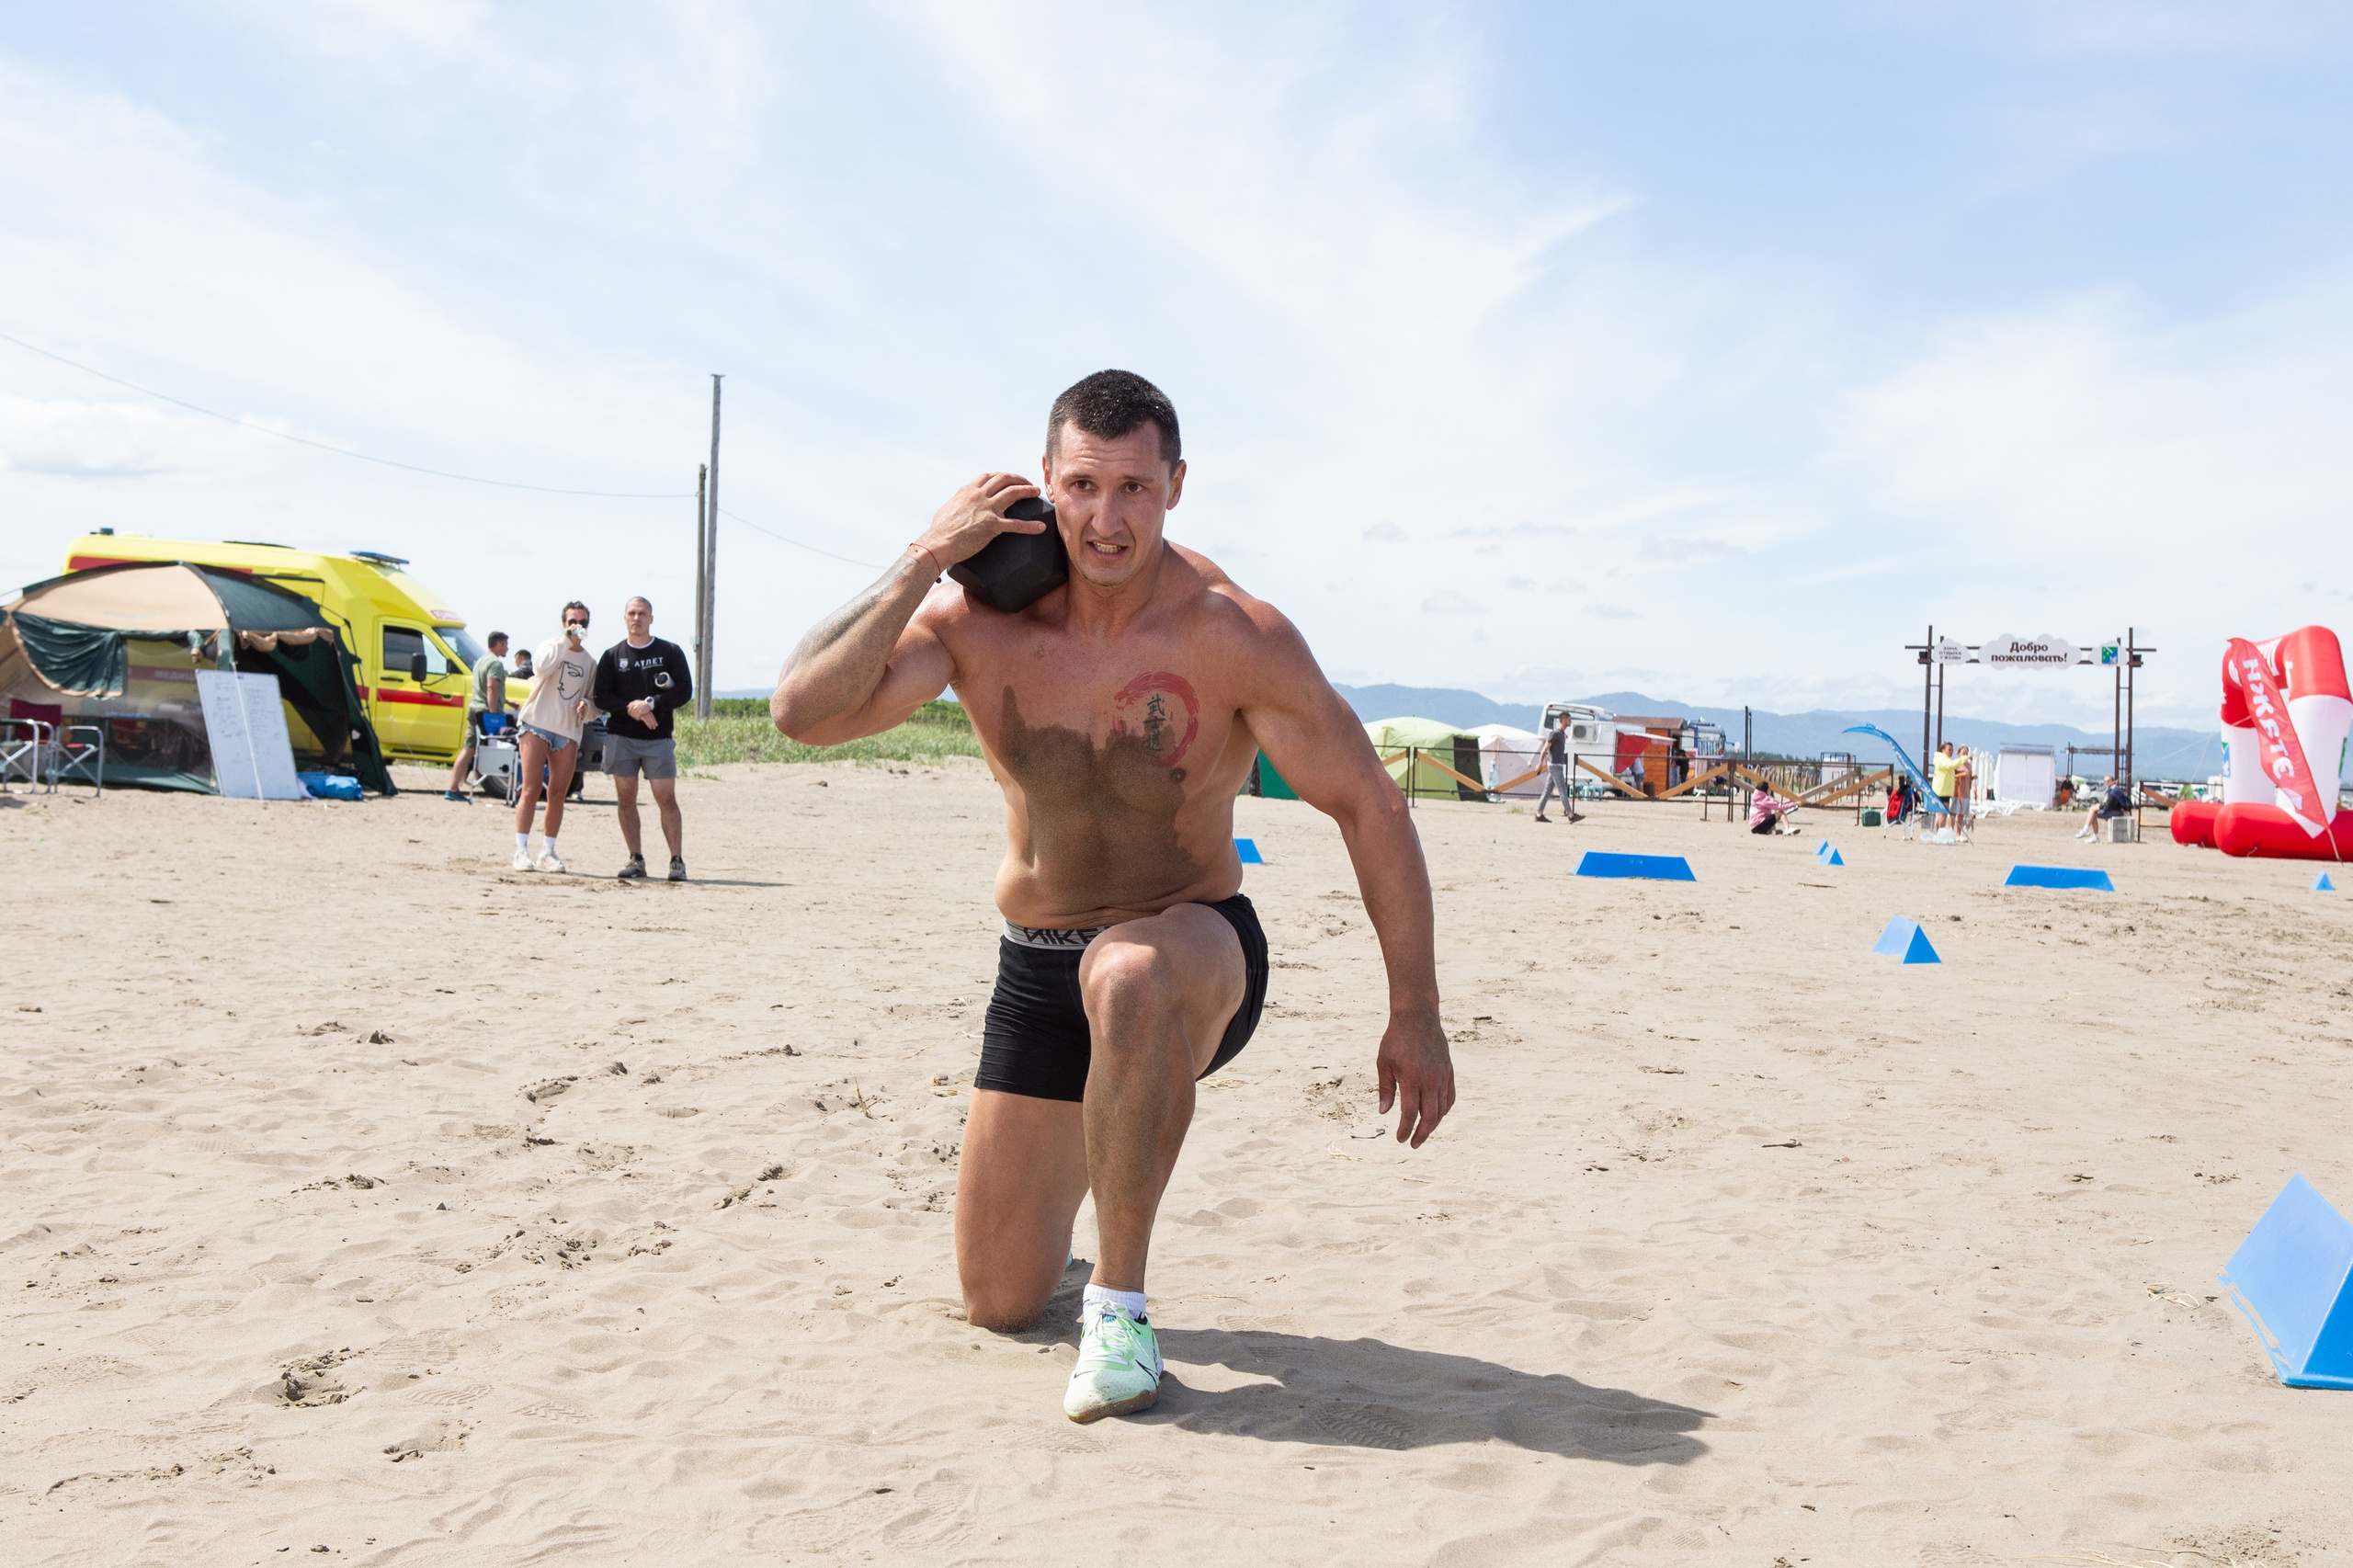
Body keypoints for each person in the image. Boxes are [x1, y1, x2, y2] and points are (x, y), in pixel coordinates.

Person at [770, 369, 1455, 1425]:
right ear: (1045, 480)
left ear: (1174, 485)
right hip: (1039, 962)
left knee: (1125, 972)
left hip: (1188, 944)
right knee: (1000, 1300)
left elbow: (1370, 804)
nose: (1106, 518)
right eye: (1084, 485)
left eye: (1134, 487)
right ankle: (1092, 1183)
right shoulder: (977, 619)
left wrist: (1415, 1009)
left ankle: (1120, 1311)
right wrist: (923, 556)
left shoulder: (1231, 632)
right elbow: (801, 714)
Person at [594, 596, 694, 881]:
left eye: (642, 614)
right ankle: (636, 859)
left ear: (651, 618)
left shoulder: (670, 651)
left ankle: (676, 862)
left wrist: (651, 703)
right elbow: (602, 697)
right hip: (621, 737)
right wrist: (633, 709)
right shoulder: (612, 656)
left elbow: (684, 692)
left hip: (658, 738)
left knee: (666, 798)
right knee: (626, 798)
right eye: (632, 613)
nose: (636, 618)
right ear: (624, 618)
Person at [511, 601, 599, 873]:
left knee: (558, 793)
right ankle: (521, 850)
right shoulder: (550, 646)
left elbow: (594, 702)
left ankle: (547, 851)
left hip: (568, 730)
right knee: (530, 788)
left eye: (582, 623)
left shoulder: (590, 662)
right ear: (564, 623)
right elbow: (541, 668)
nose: (577, 627)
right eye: (573, 621)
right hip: (537, 723)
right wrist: (565, 641)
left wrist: (587, 706)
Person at [443, 631, 511, 802]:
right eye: (505, 645)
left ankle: (455, 786)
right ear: (498, 645)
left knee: (469, 749)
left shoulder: (480, 660)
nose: (507, 649)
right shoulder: (495, 663)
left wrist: (507, 701)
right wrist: (494, 713)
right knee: (498, 749)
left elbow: (485, 688)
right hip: (485, 712)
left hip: (475, 707)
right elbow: (491, 687)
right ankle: (511, 790)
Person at [1532, 713, 1581, 824]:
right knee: (1562, 790)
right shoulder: (1555, 733)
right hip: (1555, 766)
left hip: (1556, 766)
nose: (1570, 721)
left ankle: (1539, 814)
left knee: (1547, 791)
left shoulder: (1562, 734)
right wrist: (1540, 763)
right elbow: (1545, 749)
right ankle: (1571, 815)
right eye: (1569, 719)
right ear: (1563, 720)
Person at [2076, 774, 2132, 840]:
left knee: (2093, 811)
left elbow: (2108, 806)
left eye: (2108, 781)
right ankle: (2091, 833)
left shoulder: (2115, 791)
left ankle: (2088, 831)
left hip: (2120, 812)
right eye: (2105, 781)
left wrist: (2100, 806)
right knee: (2093, 810)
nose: (2107, 783)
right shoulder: (2113, 790)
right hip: (2115, 810)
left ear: (2113, 781)